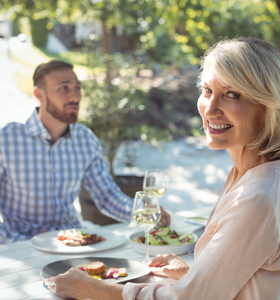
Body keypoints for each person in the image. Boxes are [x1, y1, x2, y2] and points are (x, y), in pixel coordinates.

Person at [45, 37, 280, 299]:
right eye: (207, 91)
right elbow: (252, 281)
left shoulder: (258, 198)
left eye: (232, 94)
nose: (211, 108)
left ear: (268, 106)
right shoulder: (274, 172)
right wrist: (193, 273)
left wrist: (90, 288)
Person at [0, 60, 170, 243]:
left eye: (77, 88)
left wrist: (143, 213)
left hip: (73, 242)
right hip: (21, 246)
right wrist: (18, 240)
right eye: (64, 88)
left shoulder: (85, 140)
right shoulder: (7, 140)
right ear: (39, 94)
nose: (74, 97)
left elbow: (107, 195)